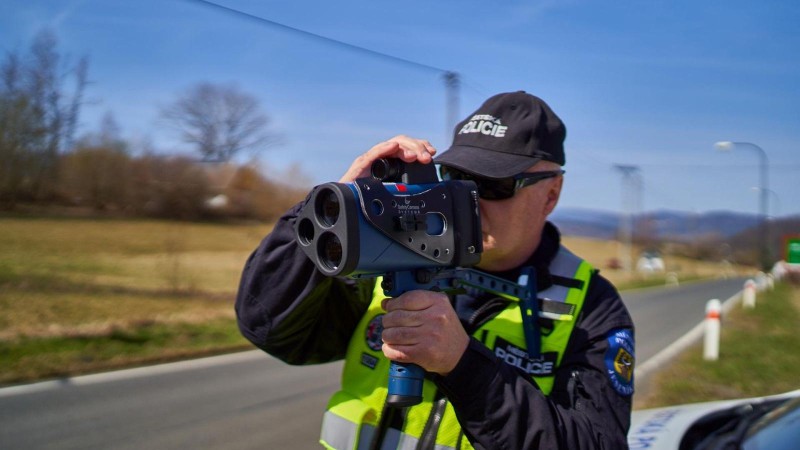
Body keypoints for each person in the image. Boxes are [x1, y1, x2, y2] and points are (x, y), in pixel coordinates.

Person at [236, 91, 635, 449]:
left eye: (495, 185)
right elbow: (268, 326)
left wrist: (464, 364)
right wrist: (331, 214)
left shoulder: (590, 307)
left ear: (551, 194)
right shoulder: (391, 259)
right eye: (459, 178)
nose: (469, 199)